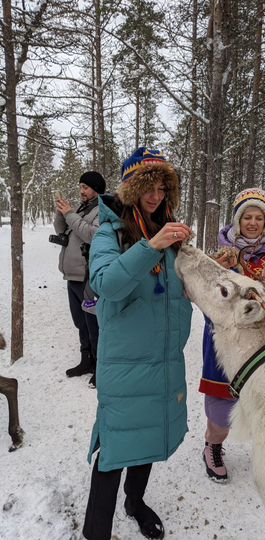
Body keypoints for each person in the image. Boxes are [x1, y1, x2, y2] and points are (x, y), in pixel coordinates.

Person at [82, 147, 193, 540]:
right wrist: (151, 246)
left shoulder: (171, 232)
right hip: (126, 364)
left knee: (148, 437)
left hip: (164, 361)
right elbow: (106, 284)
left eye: (164, 187)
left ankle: (135, 501)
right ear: (131, 188)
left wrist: (219, 268)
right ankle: (95, 531)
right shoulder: (109, 234)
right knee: (114, 449)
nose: (156, 195)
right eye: (148, 186)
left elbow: (188, 286)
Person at [199, 187, 265, 482]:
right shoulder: (221, 255)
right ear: (237, 221)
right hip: (228, 343)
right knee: (222, 404)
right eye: (247, 216)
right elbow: (206, 301)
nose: (253, 222)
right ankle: (214, 444)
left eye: (259, 217)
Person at [53, 171, 106, 385]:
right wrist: (61, 213)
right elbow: (62, 230)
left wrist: (70, 215)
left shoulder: (102, 209)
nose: (81, 191)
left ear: (96, 189)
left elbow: (92, 235)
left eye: (85, 187)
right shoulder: (83, 208)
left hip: (88, 276)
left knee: (94, 324)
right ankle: (87, 360)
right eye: (80, 187)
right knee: (80, 322)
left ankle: (101, 367)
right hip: (73, 275)